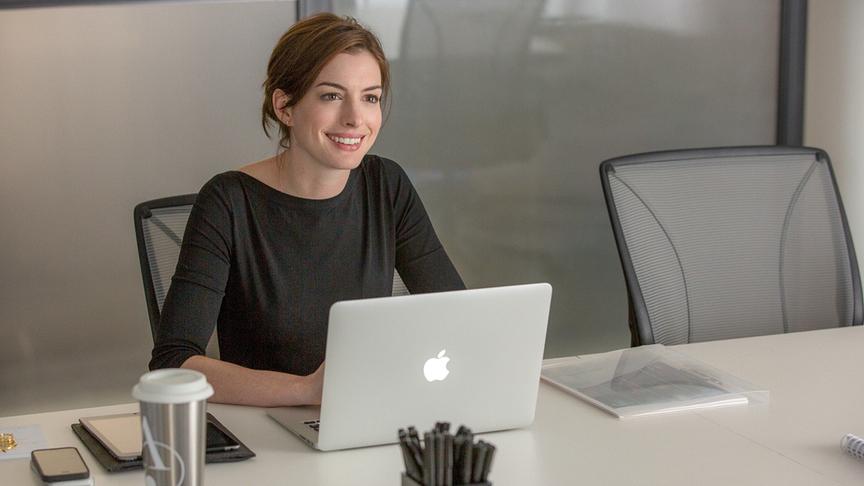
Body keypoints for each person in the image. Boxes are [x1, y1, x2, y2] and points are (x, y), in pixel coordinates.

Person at [149, 14, 465, 407]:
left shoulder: (386, 184)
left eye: (370, 97)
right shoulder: (228, 202)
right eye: (331, 95)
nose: (355, 118)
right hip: (267, 431)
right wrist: (307, 391)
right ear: (285, 107)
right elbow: (173, 364)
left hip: (366, 414)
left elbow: (457, 314)